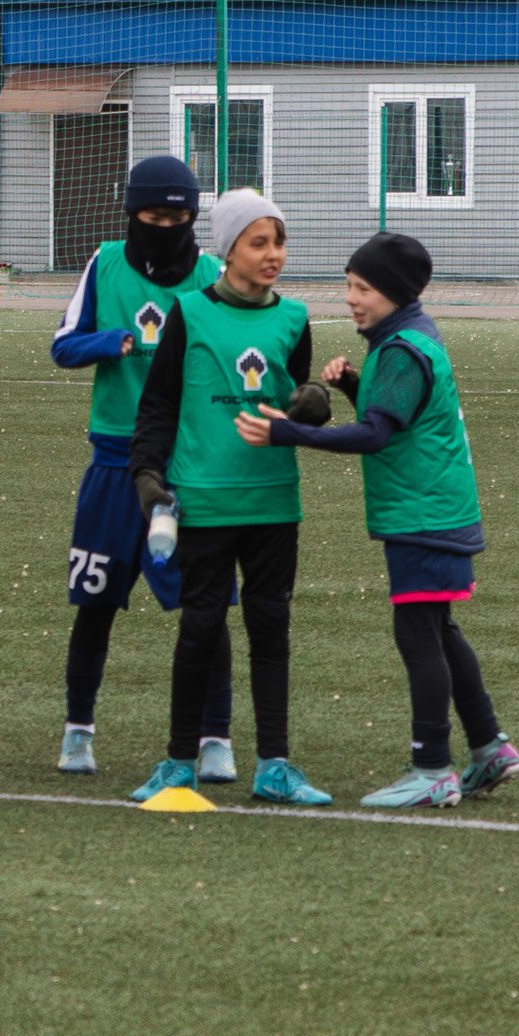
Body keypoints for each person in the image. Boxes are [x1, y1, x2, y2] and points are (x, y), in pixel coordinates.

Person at [244, 231, 519, 808]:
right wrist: (352, 384)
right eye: (349, 285)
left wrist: (286, 432)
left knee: (418, 634)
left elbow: (376, 435)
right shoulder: (407, 337)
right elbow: (398, 416)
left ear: (395, 293)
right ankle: (489, 748)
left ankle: (432, 769)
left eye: (363, 288)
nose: (351, 298)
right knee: (440, 631)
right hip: (438, 510)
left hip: (423, 515)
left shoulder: (400, 350)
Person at [127, 188, 337, 807]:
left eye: (279, 241)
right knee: (199, 628)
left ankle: (275, 765)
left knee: (271, 630)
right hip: (205, 502)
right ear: (228, 250)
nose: (274, 254)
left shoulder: (295, 317)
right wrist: (146, 472)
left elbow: (300, 398)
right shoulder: (188, 313)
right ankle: (177, 764)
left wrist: (313, 406)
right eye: (259, 242)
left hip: (273, 501)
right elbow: (159, 403)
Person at [47, 157, 234, 777]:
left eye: (178, 217)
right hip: (113, 464)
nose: (165, 226)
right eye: (154, 216)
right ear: (131, 214)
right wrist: (110, 341)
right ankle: (78, 732)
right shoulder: (103, 265)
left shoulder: (211, 275)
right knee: (94, 602)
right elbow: (62, 345)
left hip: (186, 470)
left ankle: (215, 739)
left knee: (204, 608)